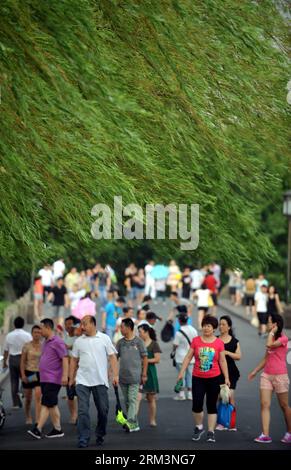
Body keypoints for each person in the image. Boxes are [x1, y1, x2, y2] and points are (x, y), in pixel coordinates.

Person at [177, 315, 230, 443]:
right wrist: (182, 372)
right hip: (198, 378)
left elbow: (222, 360)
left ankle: (211, 432)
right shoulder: (196, 341)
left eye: (209, 326)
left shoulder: (219, 343)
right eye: (204, 325)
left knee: (211, 406)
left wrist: (226, 377)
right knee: (196, 405)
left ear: (214, 328)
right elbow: (188, 357)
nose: (206, 328)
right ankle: (199, 427)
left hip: (214, 378)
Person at [69, 315, 118, 448]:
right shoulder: (79, 341)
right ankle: (83, 437)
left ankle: (100, 433)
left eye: (84, 324)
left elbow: (113, 357)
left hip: (100, 380)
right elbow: (73, 360)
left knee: (103, 410)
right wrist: (71, 377)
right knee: (83, 410)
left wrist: (115, 375)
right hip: (82, 380)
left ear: (93, 324)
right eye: (81, 324)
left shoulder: (104, 338)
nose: (82, 327)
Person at [248, 313, 291, 444]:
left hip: (280, 376)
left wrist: (272, 333)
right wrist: (255, 371)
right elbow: (266, 358)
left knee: (284, 406)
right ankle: (265, 435)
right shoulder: (270, 338)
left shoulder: (283, 338)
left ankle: (289, 432)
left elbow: (270, 346)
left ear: (275, 325)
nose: (266, 324)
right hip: (266, 375)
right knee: (264, 404)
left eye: (269, 322)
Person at [27, 318, 68, 440]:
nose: (40, 331)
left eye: (41, 328)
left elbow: (65, 358)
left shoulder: (58, 341)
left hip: (53, 378)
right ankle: (57, 429)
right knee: (51, 404)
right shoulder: (45, 342)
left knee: (46, 403)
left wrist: (65, 376)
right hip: (45, 378)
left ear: (48, 328)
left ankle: (38, 429)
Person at [116, 318, 148, 432]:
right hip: (123, 377)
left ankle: (129, 423)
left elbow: (145, 358)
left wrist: (144, 374)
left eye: (122, 327)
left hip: (135, 377)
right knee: (127, 401)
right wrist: (113, 373)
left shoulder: (139, 342)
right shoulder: (120, 342)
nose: (120, 329)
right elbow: (115, 358)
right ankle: (135, 424)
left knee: (132, 399)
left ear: (129, 328)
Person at [216, 316, 241, 431]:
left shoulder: (234, 341)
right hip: (217, 372)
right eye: (220, 324)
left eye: (223, 324)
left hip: (231, 372)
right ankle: (220, 422)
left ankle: (231, 423)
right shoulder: (215, 340)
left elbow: (238, 356)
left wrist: (226, 352)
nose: (221, 326)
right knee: (219, 397)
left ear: (229, 327)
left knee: (229, 396)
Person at [3, 316, 32, 409]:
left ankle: (15, 404)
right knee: (28, 377)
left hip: (12, 359)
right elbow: (31, 348)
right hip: (24, 359)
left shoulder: (9, 335)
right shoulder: (27, 335)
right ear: (23, 324)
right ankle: (22, 390)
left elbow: (6, 350)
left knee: (13, 381)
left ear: (14, 324)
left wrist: (4, 362)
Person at [137, 324, 161, 427]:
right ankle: (132, 420)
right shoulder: (138, 344)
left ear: (146, 332)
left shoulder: (154, 344)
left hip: (150, 373)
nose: (139, 334)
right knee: (137, 397)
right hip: (138, 372)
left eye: (140, 332)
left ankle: (152, 420)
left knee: (151, 398)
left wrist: (145, 360)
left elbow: (157, 359)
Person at [172, 313, 198, 401]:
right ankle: (190, 394)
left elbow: (175, 345)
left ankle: (182, 394)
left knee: (181, 375)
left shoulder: (179, 332)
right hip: (191, 357)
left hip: (180, 356)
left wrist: (173, 351)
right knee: (190, 375)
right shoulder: (194, 330)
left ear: (179, 321)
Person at [20, 325, 42, 424]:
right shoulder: (26, 345)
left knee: (38, 395)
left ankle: (38, 419)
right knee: (28, 398)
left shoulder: (43, 345)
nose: (37, 334)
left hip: (39, 373)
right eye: (35, 332)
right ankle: (28, 416)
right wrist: (23, 375)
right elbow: (22, 362)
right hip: (29, 373)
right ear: (32, 334)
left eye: (38, 332)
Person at [64, 316, 79, 424]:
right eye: (67, 324)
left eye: (70, 324)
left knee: (80, 394)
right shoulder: (63, 338)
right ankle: (73, 415)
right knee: (70, 396)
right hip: (69, 370)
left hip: (80, 371)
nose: (68, 326)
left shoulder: (79, 338)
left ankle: (81, 415)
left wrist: (70, 347)